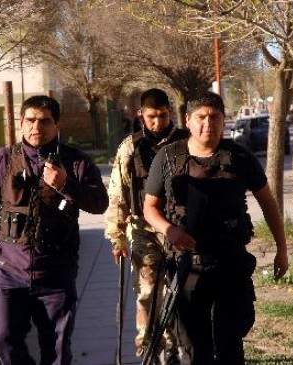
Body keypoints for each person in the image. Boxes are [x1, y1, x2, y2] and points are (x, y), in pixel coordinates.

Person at [143, 91, 288, 364]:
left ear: (224, 121)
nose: (207, 123)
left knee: (230, 343)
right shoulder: (167, 157)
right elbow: (149, 208)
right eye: (201, 117)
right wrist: (169, 230)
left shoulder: (240, 157)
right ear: (188, 120)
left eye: (215, 117)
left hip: (230, 264)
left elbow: (268, 204)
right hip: (187, 267)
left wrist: (282, 248)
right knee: (195, 348)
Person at [0, 95, 108, 365]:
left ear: (57, 125)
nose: (36, 127)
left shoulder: (76, 162)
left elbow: (100, 204)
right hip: (9, 270)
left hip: (56, 273)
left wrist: (66, 185)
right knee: (1, 338)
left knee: (56, 351)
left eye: (44, 121)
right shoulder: (3, 160)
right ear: (20, 123)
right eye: (30, 120)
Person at [105, 88, 188, 364]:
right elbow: (117, 194)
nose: (157, 122)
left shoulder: (185, 142)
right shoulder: (130, 147)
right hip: (143, 230)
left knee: (177, 292)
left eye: (163, 116)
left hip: (178, 229)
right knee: (148, 292)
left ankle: (173, 348)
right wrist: (116, 237)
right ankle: (147, 346)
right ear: (141, 114)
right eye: (152, 116)